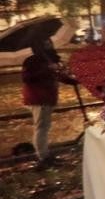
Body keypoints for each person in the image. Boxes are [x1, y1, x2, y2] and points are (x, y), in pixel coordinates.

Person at [21, 38, 75, 169]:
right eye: (45, 43)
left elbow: (58, 75)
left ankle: (45, 154)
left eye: (50, 43)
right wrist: (48, 69)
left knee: (44, 127)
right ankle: (43, 157)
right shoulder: (32, 60)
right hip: (38, 98)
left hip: (48, 97)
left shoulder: (50, 58)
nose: (49, 45)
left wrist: (73, 80)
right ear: (37, 45)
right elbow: (26, 78)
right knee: (41, 128)